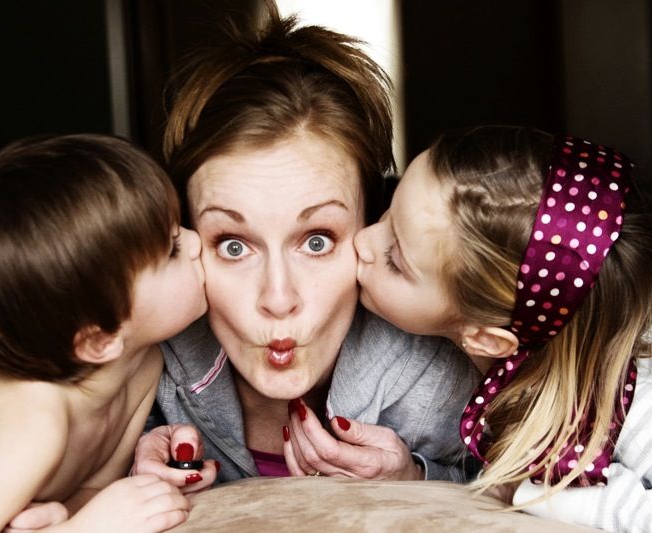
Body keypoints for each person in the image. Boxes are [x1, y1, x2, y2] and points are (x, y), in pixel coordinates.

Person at [132, 3, 480, 484]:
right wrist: (118, 466)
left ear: (372, 226)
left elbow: (513, 490)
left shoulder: (439, 376)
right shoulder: (143, 363)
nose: (279, 299)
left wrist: (415, 481)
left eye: (317, 241)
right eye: (233, 246)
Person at [354, 125, 652, 531]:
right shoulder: (502, 353)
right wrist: (415, 474)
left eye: (394, 258)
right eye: (387, 211)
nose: (362, 241)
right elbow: (485, 477)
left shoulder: (634, 399)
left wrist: (539, 493)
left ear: (485, 339)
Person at [0, 134, 216, 532]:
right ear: (98, 340)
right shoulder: (31, 428)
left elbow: (89, 490)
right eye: (172, 249)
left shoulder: (143, 362)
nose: (196, 242)